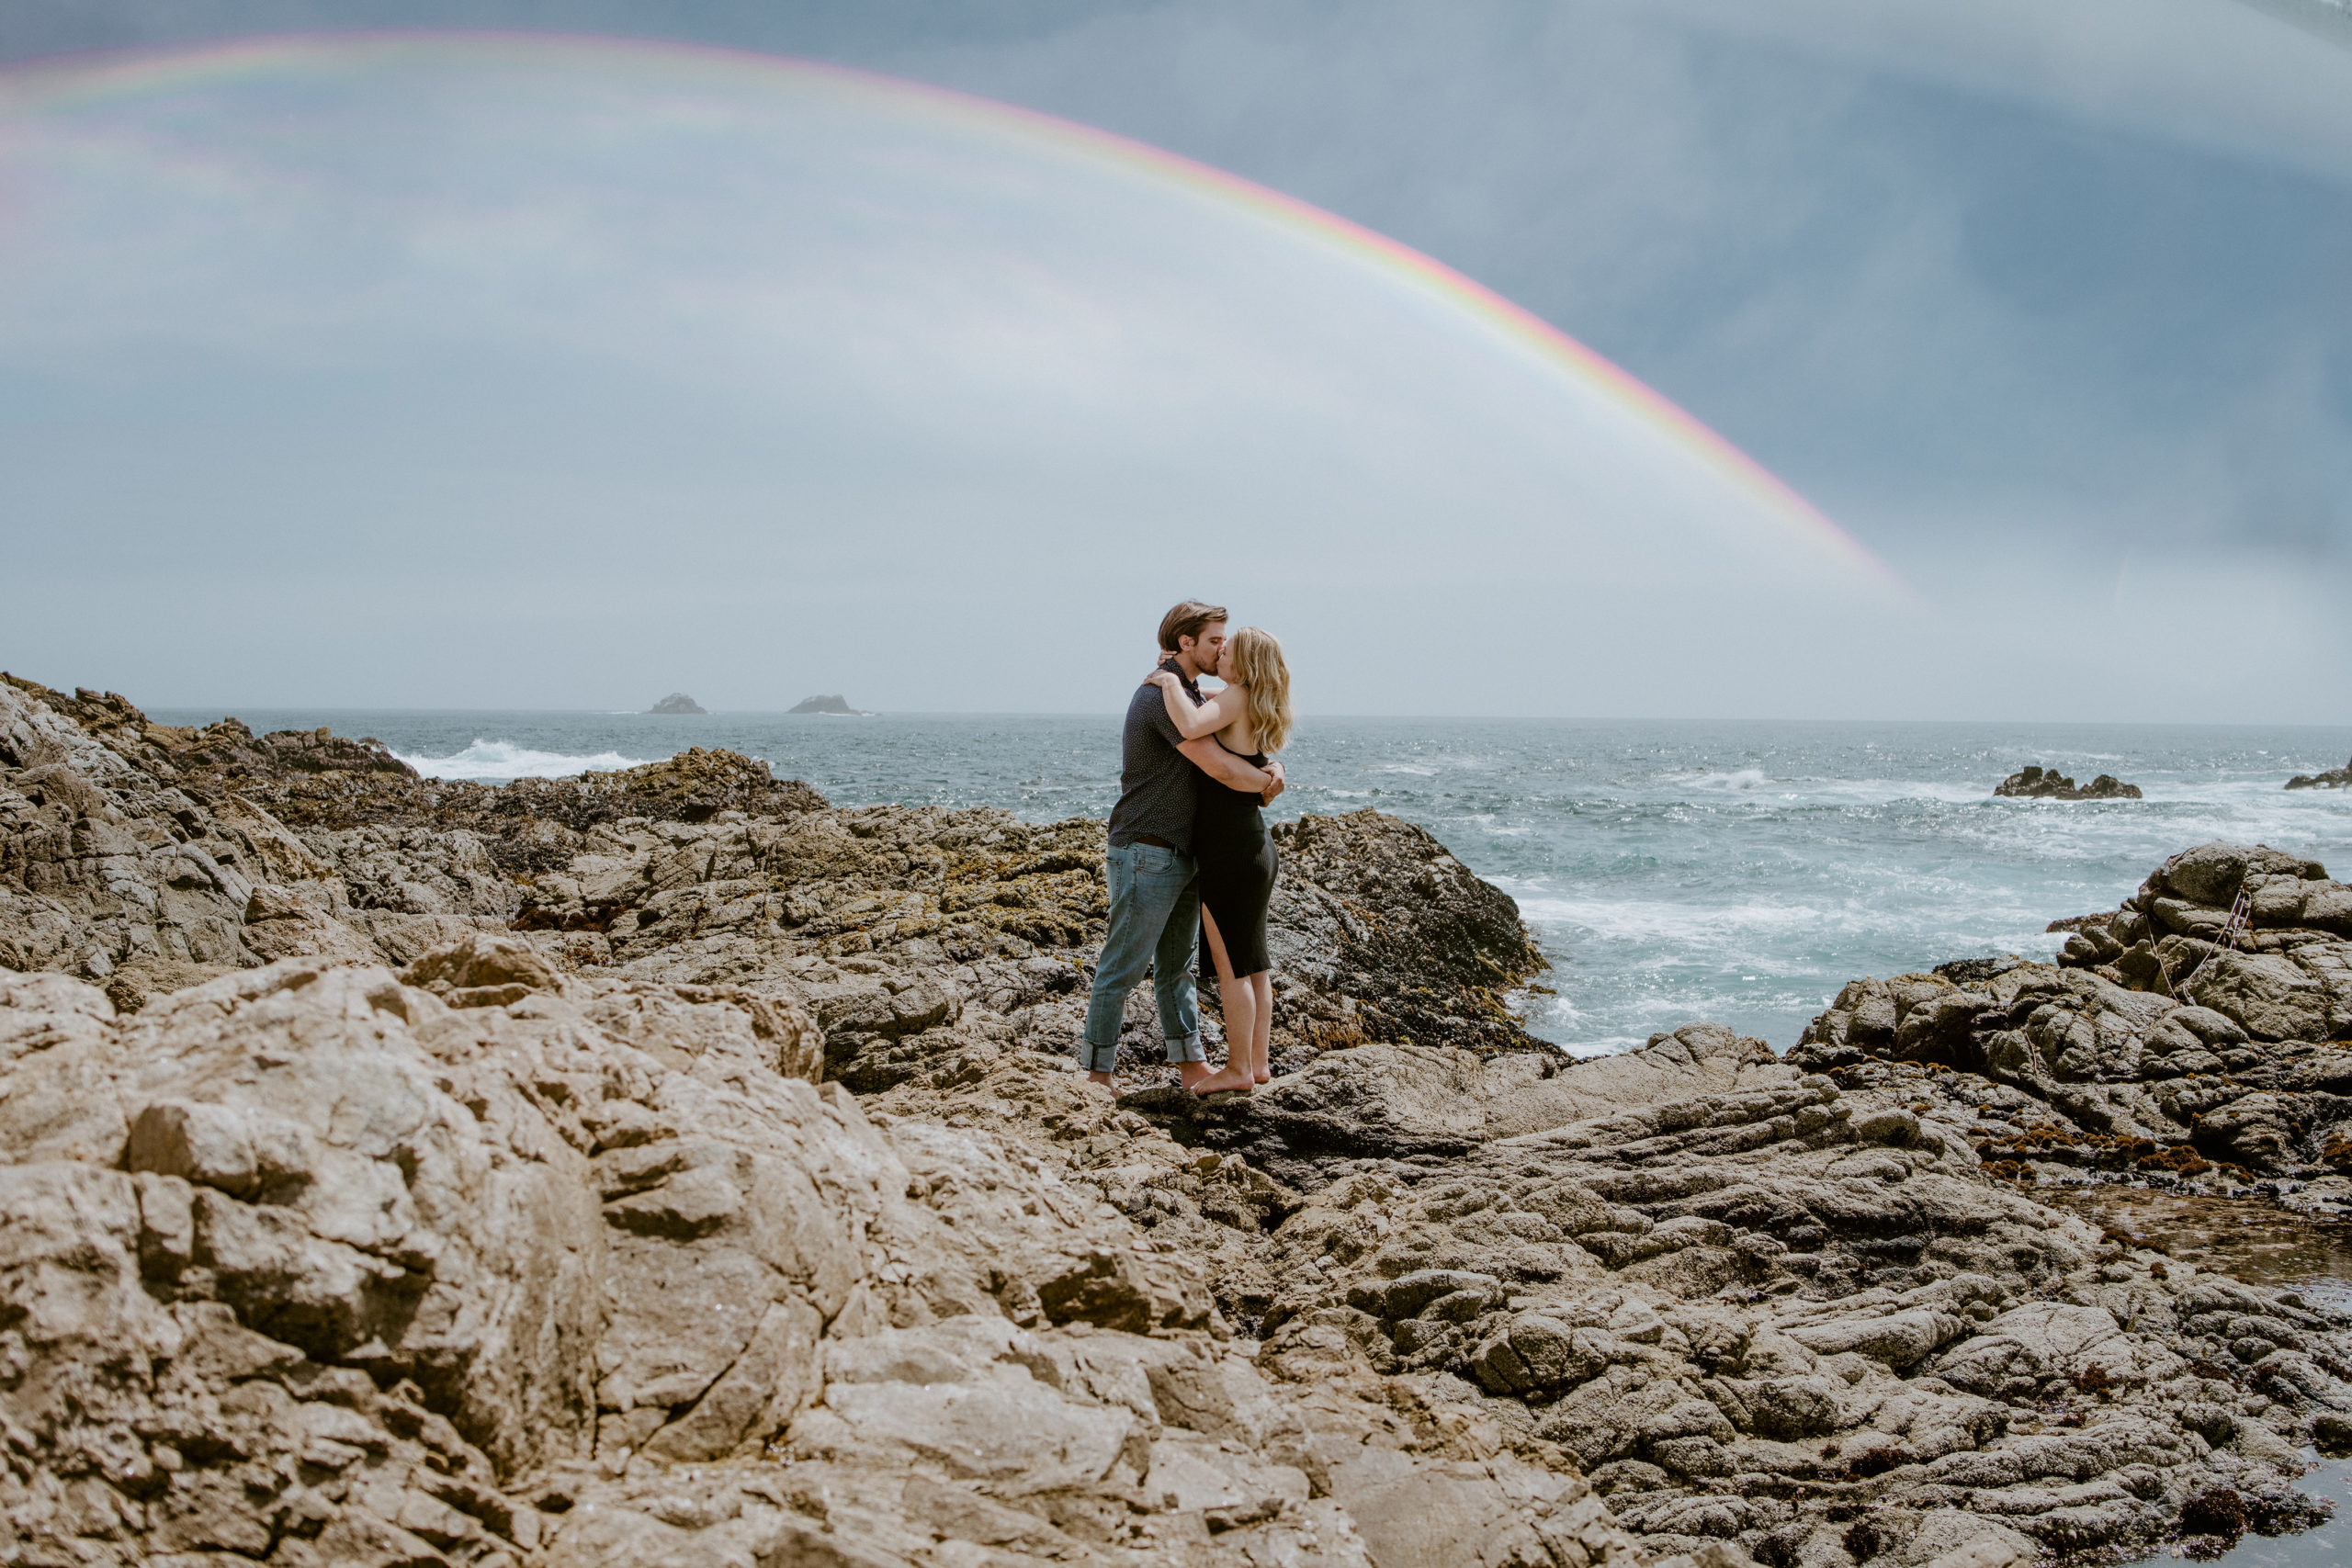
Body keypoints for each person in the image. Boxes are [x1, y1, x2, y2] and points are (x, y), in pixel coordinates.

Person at [1080, 602, 1285, 1089]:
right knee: (1122, 966)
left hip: (1188, 850)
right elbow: (1218, 764)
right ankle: (1097, 1072)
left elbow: (1239, 733)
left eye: (1225, 640)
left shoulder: (1190, 692)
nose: (1223, 647)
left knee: (1178, 970)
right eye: (1215, 640)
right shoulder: (1161, 698)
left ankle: (1190, 1062)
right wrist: (1267, 780)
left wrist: (1273, 765)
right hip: (1148, 847)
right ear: (1185, 643)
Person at [1147, 626, 1293, 1097]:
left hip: (1228, 848)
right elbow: (1204, 699)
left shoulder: (1235, 697)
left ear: (1244, 664)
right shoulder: (1248, 697)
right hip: (1253, 845)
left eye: (1226, 651)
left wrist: (1168, 681)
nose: (1219, 655)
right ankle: (1259, 1063)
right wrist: (1181, 677)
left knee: (1231, 967)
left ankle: (1236, 1070)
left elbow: (1189, 725)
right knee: (1255, 965)